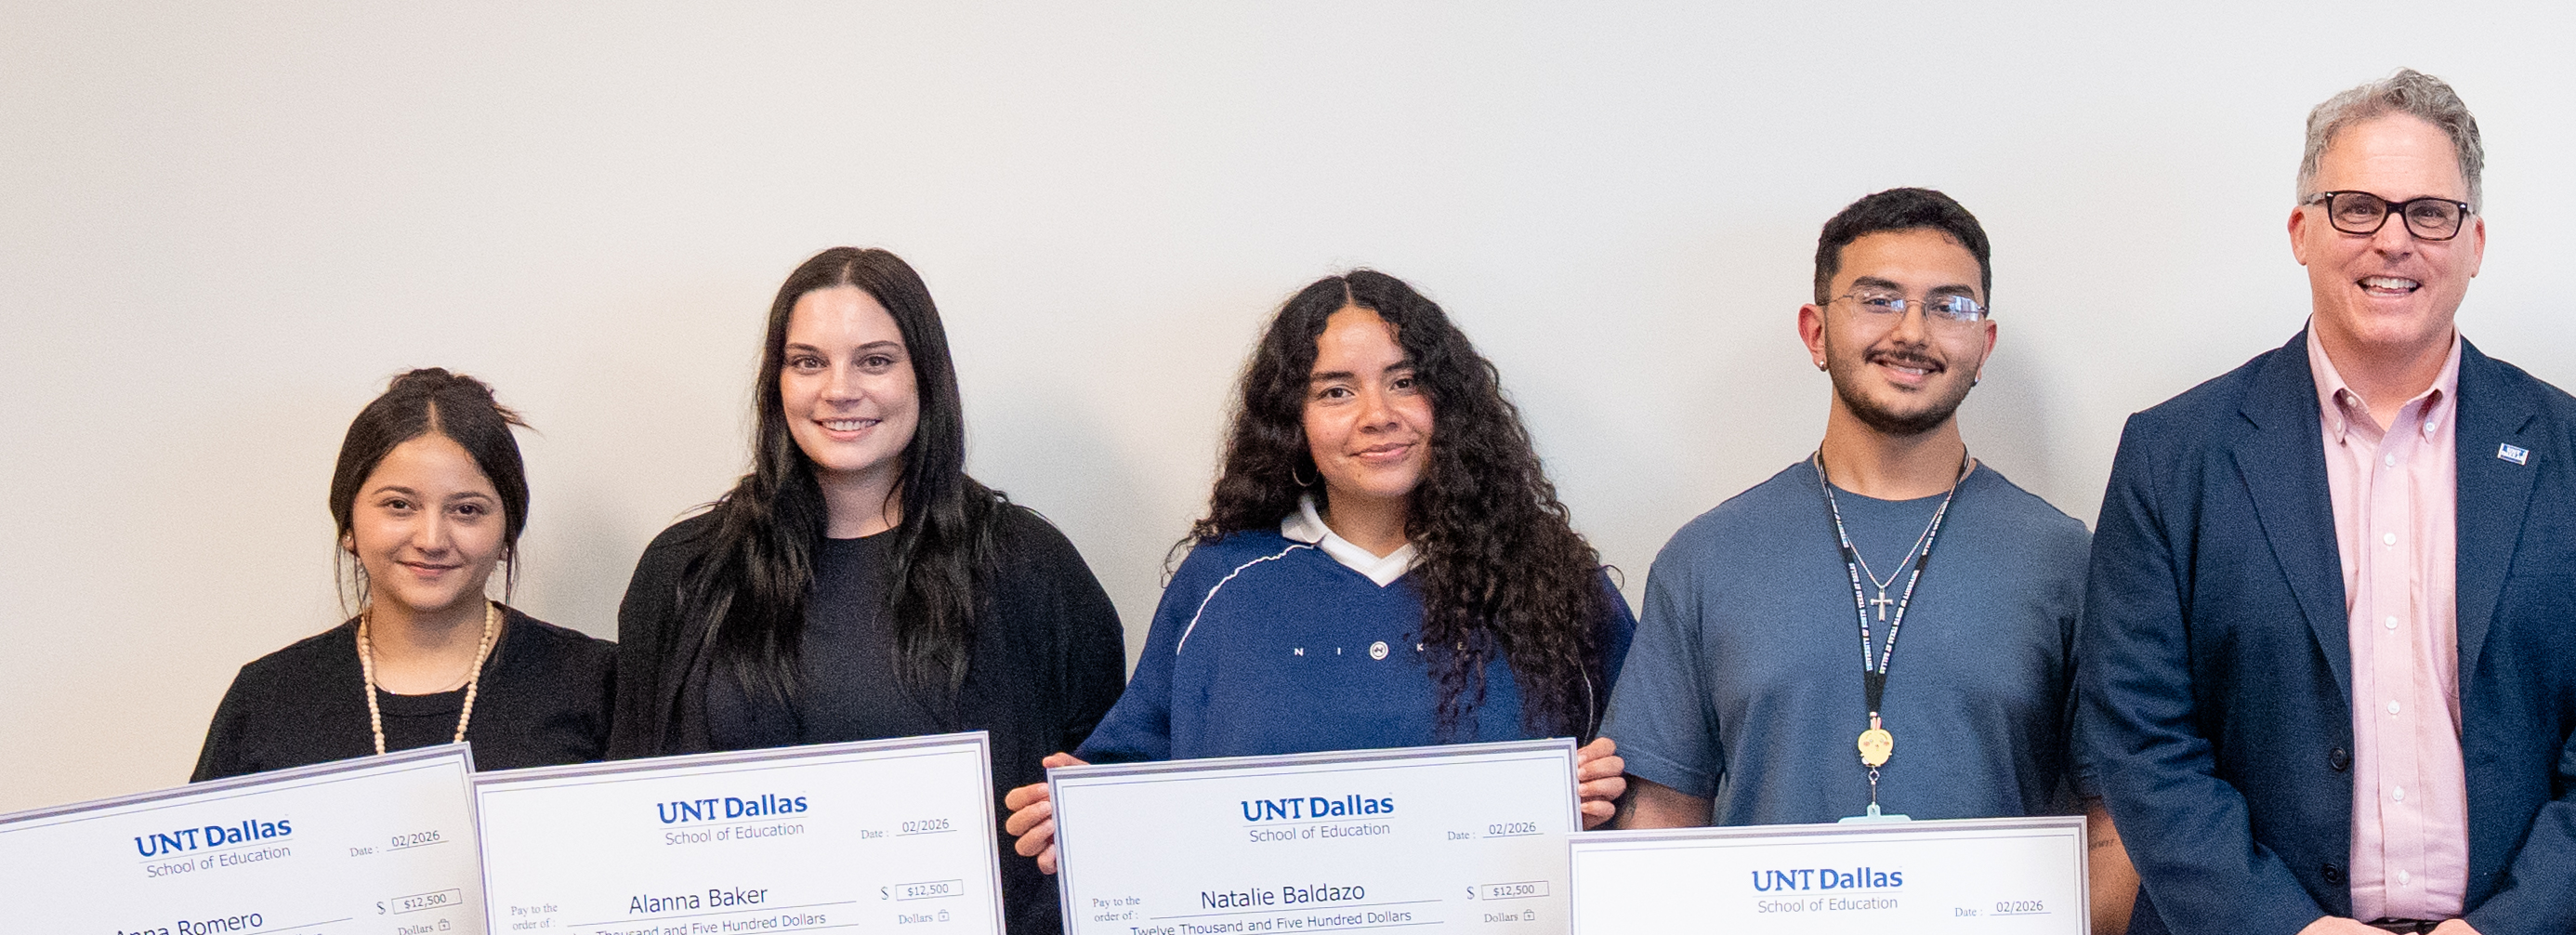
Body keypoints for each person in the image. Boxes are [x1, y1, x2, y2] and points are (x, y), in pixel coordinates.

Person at [2080, 68, 2576, 935]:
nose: (2392, 241)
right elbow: (2141, 733)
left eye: (2429, 213)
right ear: (2301, 230)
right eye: (2357, 207)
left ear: (2474, 242)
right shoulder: (2174, 455)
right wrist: (2282, 927)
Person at [1598, 187, 2130, 930]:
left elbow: (2117, 823)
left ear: (1984, 345)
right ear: (1816, 333)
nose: (1913, 331)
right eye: (1878, 300)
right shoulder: (1706, 558)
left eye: (1950, 306)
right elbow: (1659, 825)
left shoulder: (2063, 557)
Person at [994, 270, 1638, 872]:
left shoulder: (1553, 582)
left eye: (1405, 380)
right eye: (1336, 391)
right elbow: (1137, 777)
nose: (1377, 413)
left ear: (1450, 401)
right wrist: (1079, 812)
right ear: (1292, 422)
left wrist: (1608, 798)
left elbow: (1657, 786)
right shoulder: (1221, 585)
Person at [612, 246, 1124, 935]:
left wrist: (1092, 809)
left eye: (875, 360)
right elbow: (626, 811)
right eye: (808, 362)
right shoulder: (684, 572)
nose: (839, 389)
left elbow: (1107, 781)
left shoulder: (1028, 566)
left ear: (925, 379)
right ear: (777, 382)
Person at [196, 369, 617, 779]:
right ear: (347, 525)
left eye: (466, 510)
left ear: (508, 533)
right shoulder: (270, 697)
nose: (431, 539)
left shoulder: (597, 684)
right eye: (399, 505)